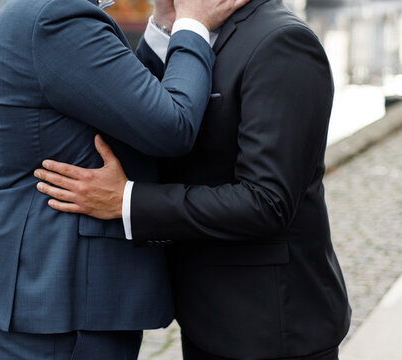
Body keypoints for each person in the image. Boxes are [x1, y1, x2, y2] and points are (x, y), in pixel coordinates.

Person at [33, 0, 352, 358]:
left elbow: (267, 202)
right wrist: (165, 25)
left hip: (271, 326)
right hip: (205, 316)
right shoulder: (195, 26)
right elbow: (153, 118)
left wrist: (127, 201)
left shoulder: (283, 42)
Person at [0, 0, 249, 358]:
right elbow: (172, 126)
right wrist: (192, 25)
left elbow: (125, 101)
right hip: (60, 302)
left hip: (44, 293)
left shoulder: (40, 9)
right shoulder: (58, 16)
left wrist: (163, 25)